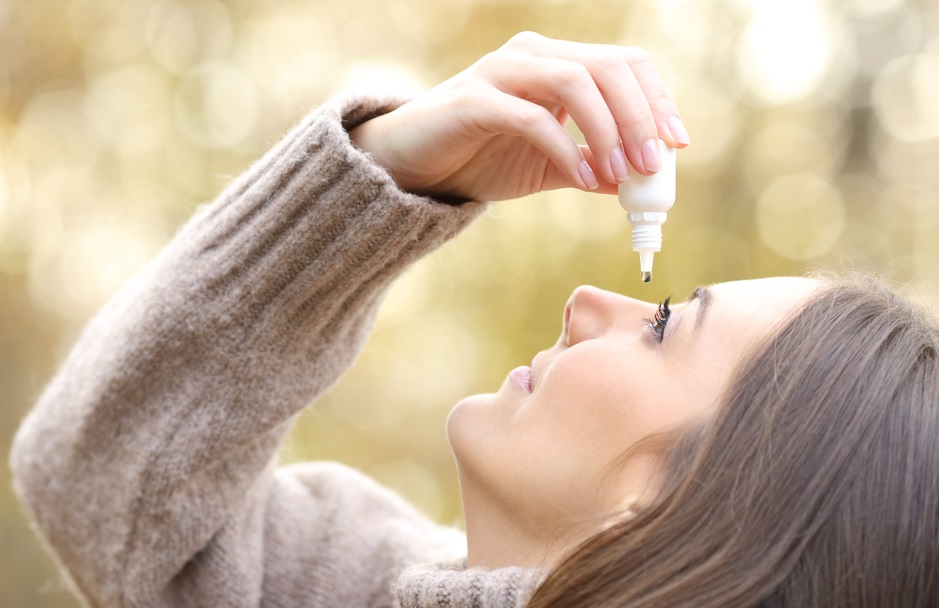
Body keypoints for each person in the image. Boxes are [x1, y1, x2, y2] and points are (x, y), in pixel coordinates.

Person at [10, 31, 939, 608]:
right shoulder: (355, 587)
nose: (584, 305)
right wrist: (382, 176)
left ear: (698, 508)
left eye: (662, 326)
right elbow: (105, 485)